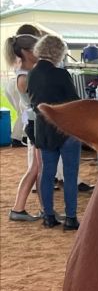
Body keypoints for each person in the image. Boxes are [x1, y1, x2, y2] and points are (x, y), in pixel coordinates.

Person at [27, 34, 83, 231]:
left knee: (47, 173)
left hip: (43, 128)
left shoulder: (31, 74)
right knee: (69, 174)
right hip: (65, 129)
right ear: (58, 52)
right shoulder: (61, 74)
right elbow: (74, 103)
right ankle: (70, 218)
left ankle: (48, 216)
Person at [4, 27, 43, 222]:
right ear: (27, 52)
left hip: (34, 122)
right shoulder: (25, 77)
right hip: (35, 124)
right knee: (37, 168)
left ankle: (25, 208)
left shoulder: (27, 72)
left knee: (37, 167)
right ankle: (19, 208)